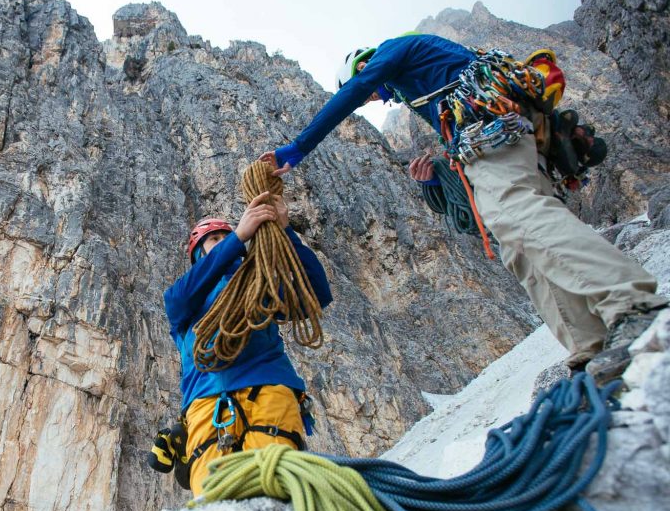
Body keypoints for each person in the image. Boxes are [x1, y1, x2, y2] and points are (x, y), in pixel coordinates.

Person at [259, 34, 667, 380]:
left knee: (520, 215)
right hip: (498, 140)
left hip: (492, 133)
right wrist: (437, 179)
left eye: (369, 91)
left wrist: (298, 148)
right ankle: (590, 346)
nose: (375, 100)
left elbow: (348, 95)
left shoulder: (395, 50)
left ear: (364, 65)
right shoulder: (425, 80)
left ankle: (631, 304)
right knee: (517, 247)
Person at [164, 191, 332, 495]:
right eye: (213, 240)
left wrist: (285, 230)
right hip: (208, 402)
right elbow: (178, 298)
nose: (223, 242)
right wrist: (238, 235)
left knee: (275, 490)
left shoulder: (261, 291)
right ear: (199, 255)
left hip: (268, 391)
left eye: (224, 237)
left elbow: (316, 295)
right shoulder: (186, 302)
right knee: (213, 497)